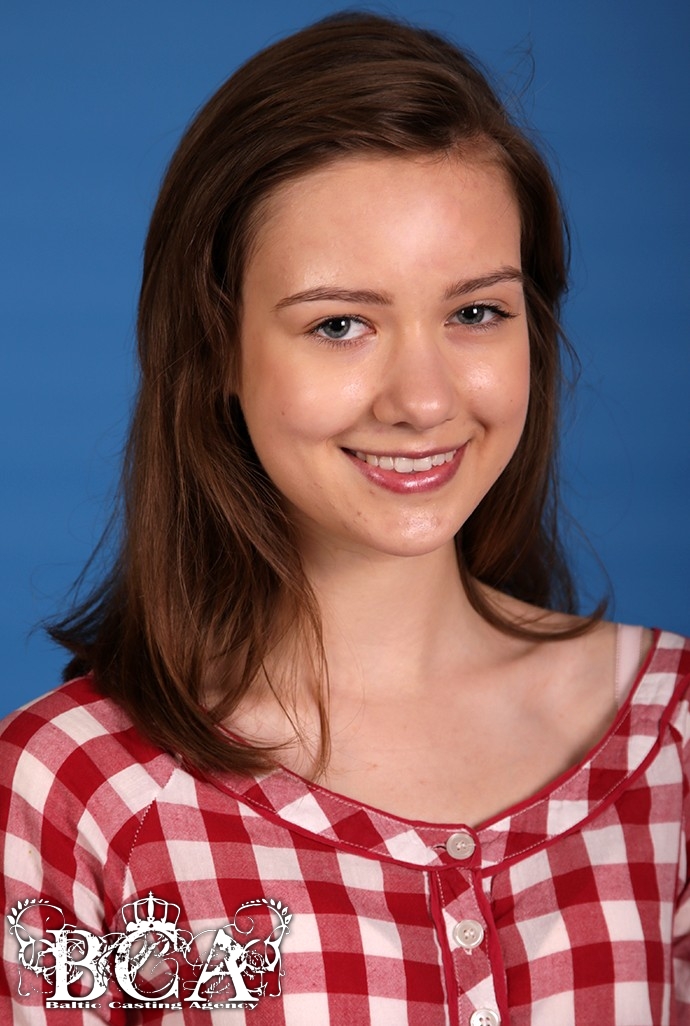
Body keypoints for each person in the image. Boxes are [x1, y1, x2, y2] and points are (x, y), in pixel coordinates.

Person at [1, 11, 688, 1024]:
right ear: (216, 351)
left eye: (476, 313)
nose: (423, 399)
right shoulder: (73, 792)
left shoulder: (674, 740)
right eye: (340, 324)